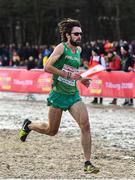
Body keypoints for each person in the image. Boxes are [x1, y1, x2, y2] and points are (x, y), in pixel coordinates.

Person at [19, 18, 99, 174]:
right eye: (76, 34)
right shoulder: (61, 48)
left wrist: (81, 79)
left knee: (86, 125)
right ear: (68, 35)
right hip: (58, 95)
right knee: (51, 130)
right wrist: (66, 74)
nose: (79, 36)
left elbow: (73, 71)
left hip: (73, 95)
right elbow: (47, 67)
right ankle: (28, 125)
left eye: (80, 34)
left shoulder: (79, 51)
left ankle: (88, 163)